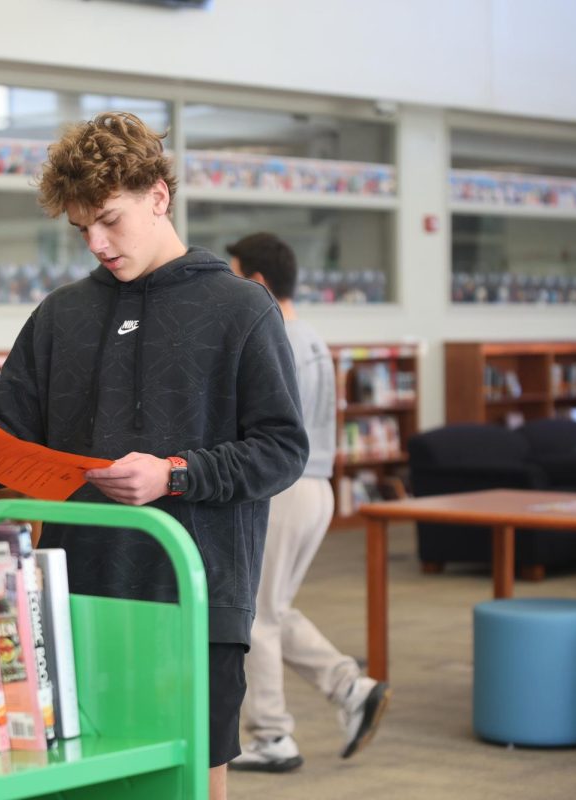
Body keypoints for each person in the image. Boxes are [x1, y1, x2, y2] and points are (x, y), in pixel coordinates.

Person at [0, 112, 309, 799]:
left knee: (187, 780)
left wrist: (174, 474)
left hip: (193, 596)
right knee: (83, 781)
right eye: (80, 228)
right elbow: (4, 442)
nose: (96, 243)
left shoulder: (243, 309)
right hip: (74, 595)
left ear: (158, 195)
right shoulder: (62, 314)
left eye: (109, 220)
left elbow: (281, 449)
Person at [225, 233, 390, 773]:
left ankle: (273, 736)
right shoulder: (312, 337)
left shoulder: (275, 339)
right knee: (275, 608)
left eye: (235, 278)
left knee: (256, 619)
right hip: (318, 486)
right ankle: (350, 687)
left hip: (284, 488)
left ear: (259, 283)